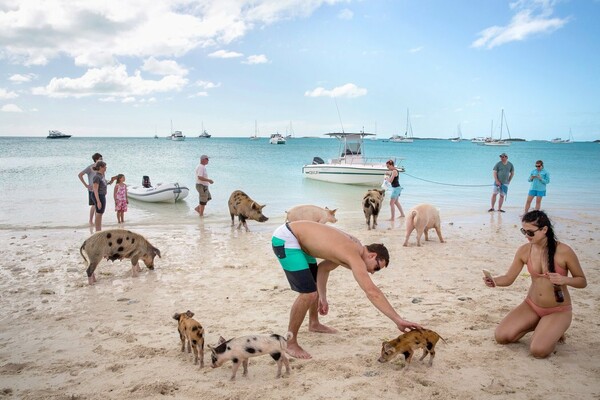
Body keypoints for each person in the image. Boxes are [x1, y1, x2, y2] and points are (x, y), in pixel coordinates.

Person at [271, 221, 422, 359]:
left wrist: (323, 297)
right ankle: (290, 343)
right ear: (372, 255)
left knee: (313, 288)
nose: (373, 272)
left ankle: (314, 323)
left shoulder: (350, 250)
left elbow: (323, 269)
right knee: (308, 293)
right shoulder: (353, 253)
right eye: (376, 267)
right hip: (287, 238)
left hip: (301, 243)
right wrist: (398, 320)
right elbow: (372, 292)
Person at [482, 210, 587, 358]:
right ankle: (542, 325)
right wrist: (494, 281)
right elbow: (509, 278)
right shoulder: (524, 250)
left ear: (544, 230)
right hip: (531, 305)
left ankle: (554, 328)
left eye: (530, 232)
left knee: (538, 351)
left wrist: (565, 280)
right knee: (502, 337)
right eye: (523, 231)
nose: (526, 236)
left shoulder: (564, 251)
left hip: (558, 309)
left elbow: (582, 281)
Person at [78, 153, 103, 225]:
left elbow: (102, 178)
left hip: (100, 189)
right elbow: (80, 175)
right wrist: (86, 185)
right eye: (100, 159)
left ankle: (96, 221)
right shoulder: (90, 167)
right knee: (94, 205)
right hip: (92, 189)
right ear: (96, 160)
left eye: (102, 159)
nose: (102, 160)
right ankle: (90, 221)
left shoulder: (101, 167)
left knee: (99, 205)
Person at [92, 161, 108, 232]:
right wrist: (98, 201)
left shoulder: (102, 175)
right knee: (98, 213)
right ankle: (98, 230)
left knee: (101, 213)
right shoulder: (96, 177)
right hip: (98, 195)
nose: (106, 168)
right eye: (105, 166)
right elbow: (95, 189)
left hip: (102, 195)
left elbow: (104, 184)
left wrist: (112, 181)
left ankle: (99, 229)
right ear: (101, 167)